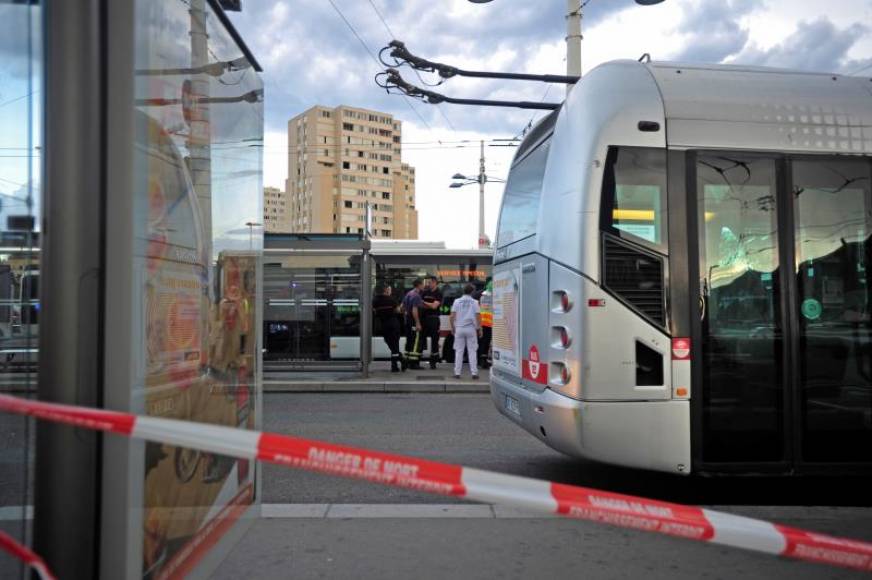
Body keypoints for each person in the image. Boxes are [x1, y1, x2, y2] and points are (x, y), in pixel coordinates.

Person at [450, 284, 482, 379]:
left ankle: (457, 373)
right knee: (472, 351)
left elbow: (452, 316)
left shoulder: (457, 301)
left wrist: (453, 328)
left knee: (459, 351)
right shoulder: (475, 302)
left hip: (459, 328)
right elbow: (478, 316)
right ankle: (474, 373)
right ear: (472, 292)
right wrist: (479, 328)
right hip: (471, 329)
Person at [373, 284, 404, 372]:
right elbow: (398, 311)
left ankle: (399, 363)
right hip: (393, 324)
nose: (390, 291)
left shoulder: (375, 301)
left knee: (391, 345)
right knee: (395, 345)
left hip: (383, 325)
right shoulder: (392, 300)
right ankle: (398, 364)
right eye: (389, 290)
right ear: (386, 290)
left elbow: (374, 311)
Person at [419, 275, 443, 369]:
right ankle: (417, 360)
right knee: (421, 339)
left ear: (435, 282)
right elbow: (420, 304)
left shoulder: (438, 293)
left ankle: (433, 362)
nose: (428, 284)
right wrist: (429, 304)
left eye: (430, 282)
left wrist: (424, 303)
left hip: (434, 319)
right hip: (424, 319)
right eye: (428, 282)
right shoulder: (425, 292)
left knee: (434, 340)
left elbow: (434, 307)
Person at [401, 278, 424, 369]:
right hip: (414, 322)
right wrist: (418, 323)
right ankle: (414, 363)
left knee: (409, 341)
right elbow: (415, 310)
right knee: (416, 342)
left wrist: (406, 315)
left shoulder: (408, 294)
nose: (424, 286)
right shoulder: (416, 296)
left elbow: (402, 307)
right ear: (419, 285)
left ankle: (407, 361)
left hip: (408, 321)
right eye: (422, 284)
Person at [477, 278, 493, 369]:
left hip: (483, 321)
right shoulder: (492, 296)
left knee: (483, 342)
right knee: (486, 342)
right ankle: (484, 361)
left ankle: (481, 360)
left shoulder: (482, 295)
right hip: (489, 322)